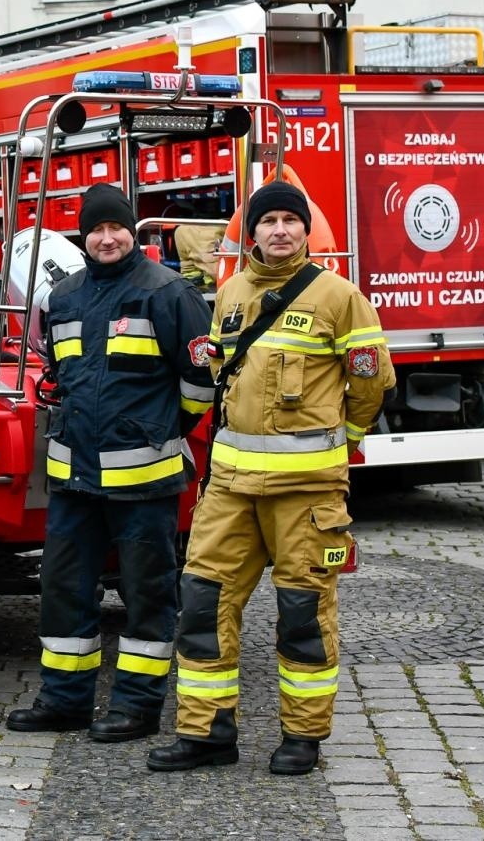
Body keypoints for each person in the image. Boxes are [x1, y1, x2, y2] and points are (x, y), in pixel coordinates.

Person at [147, 180, 394, 776]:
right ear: (250, 231)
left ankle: (302, 738)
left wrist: (343, 446)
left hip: (306, 495)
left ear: (306, 230)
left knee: (303, 614)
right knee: (203, 605)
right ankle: (206, 734)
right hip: (230, 490)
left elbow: (371, 386)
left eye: (290, 219)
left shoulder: (341, 297)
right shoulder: (229, 293)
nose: (279, 230)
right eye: (268, 221)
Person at [6, 184, 213, 742]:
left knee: (148, 595)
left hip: (144, 480)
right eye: (95, 229)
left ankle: (137, 706)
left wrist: (158, 430)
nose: (106, 238)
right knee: (64, 586)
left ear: (132, 229)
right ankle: (65, 699)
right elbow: (63, 376)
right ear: (83, 236)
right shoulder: (65, 297)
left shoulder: (170, 293)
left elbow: (200, 383)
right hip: (75, 478)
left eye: (115, 227)